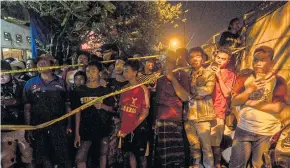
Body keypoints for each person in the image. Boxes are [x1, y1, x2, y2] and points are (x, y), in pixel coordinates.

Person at [229, 46, 288, 168]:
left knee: (259, 165)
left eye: (262, 60)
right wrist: (250, 89)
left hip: (266, 132)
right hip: (244, 129)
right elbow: (234, 101)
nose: (258, 63)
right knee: (236, 164)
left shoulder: (278, 81)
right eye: (255, 60)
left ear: (272, 62)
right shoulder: (245, 77)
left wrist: (250, 103)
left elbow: (277, 107)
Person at [23, 54, 72, 168]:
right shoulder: (30, 84)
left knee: (62, 155)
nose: (41, 64)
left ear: (52, 65)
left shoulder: (62, 83)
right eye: (39, 62)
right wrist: (28, 128)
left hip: (59, 125)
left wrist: (69, 124)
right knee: (43, 156)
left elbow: (68, 105)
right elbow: (27, 108)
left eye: (45, 62)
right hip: (39, 125)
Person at [73, 61, 114, 168]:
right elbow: (77, 112)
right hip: (85, 130)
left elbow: (112, 109)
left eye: (93, 71)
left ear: (100, 73)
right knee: (80, 158)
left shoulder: (105, 90)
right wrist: (77, 133)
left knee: (102, 155)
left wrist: (102, 106)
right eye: (87, 71)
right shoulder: (79, 90)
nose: (90, 74)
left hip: (103, 129)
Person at [154, 50, 190, 168]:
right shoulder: (159, 77)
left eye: (167, 60)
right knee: (163, 157)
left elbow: (185, 97)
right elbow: (157, 101)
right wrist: (155, 121)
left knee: (175, 156)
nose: (163, 63)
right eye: (162, 60)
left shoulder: (180, 74)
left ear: (173, 62)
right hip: (160, 120)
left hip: (174, 120)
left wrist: (173, 79)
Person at [184, 47, 217, 168]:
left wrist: (190, 93)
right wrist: (194, 94)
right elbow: (184, 93)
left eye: (198, 56)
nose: (194, 59)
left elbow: (207, 90)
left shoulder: (209, 73)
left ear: (203, 58)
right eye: (191, 56)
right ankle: (197, 165)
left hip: (203, 115)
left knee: (206, 147)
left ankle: (209, 166)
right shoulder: (186, 74)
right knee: (193, 146)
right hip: (188, 115)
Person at [1, 60, 34, 168]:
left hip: (21, 127)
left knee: (27, 154)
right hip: (4, 129)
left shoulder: (21, 84)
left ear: (10, 72)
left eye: (4, 73)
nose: (1, 77)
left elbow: (29, 104)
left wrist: (15, 101)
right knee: (6, 158)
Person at [118, 60, 150, 168]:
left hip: (139, 126)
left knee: (141, 155)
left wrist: (132, 127)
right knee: (130, 153)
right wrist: (123, 128)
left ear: (134, 72)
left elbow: (145, 112)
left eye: (127, 71)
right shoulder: (123, 89)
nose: (124, 73)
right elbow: (121, 109)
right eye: (123, 71)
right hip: (125, 127)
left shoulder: (143, 89)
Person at [210, 48, 236, 168]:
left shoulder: (230, 75)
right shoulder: (206, 70)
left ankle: (217, 165)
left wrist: (219, 76)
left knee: (215, 145)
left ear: (228, 60)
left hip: (218, 112)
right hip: (203, 112)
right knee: (203, 145)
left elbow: (226, 94)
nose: (220, 61)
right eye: (218, 58)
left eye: (223, 59)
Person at [106, 57, 129, 167]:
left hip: (128, 119)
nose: (119, 66)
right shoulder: (108, 83)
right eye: (117, 64)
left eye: (122, 64)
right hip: (112, 120)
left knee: (125, 147)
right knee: (111, 146)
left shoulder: (130, 84)